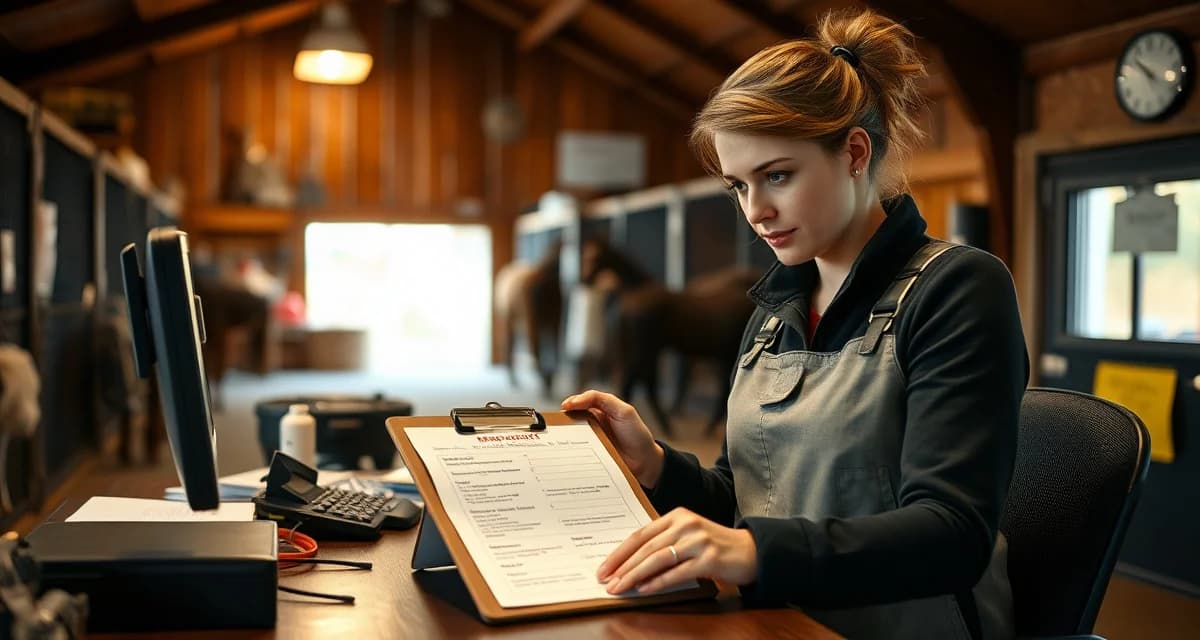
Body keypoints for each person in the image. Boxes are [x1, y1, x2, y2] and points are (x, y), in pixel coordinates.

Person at [561, 9, 1028, 640]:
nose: (756, 211)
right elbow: (745, 497)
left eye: (776, 175)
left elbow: (953, 532)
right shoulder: (771, 313)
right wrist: (657, 467)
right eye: (738, 187)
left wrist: (753, 553)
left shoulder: (956, 289)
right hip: (779, 619)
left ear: (855, 153)